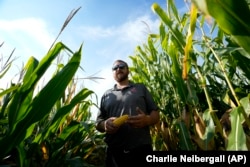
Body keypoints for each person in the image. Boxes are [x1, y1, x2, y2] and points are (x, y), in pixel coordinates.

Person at [96, 59, 160, 167]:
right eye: (115, 68)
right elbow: (98, 123)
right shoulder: (107, 95)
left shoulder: (140, 88)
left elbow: (156, 114)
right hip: (114, 153)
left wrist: (147, 120)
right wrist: (105, 124)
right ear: (112, 73)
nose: (118, 69)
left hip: (141, 149)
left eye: (122, 66)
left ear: (128, 70)